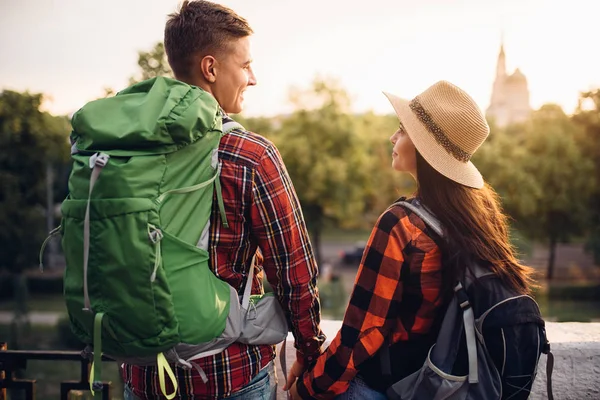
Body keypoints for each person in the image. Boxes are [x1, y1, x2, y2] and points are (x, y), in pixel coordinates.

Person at [122, 1, 325, 399]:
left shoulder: (128, 152)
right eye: (245, 65)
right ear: (211, 69)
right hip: (230, 376)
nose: (253, 78)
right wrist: (309, 348)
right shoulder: (250, 155)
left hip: (144, 375)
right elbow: (295, 273)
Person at [286, 80, 536, 399]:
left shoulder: (402, 224)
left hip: (396, 385)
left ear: (422, 145)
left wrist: (307, 389)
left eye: (402, 129)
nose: (393, 137)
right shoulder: (482, 215)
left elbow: (363, 333)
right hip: (450, 382)